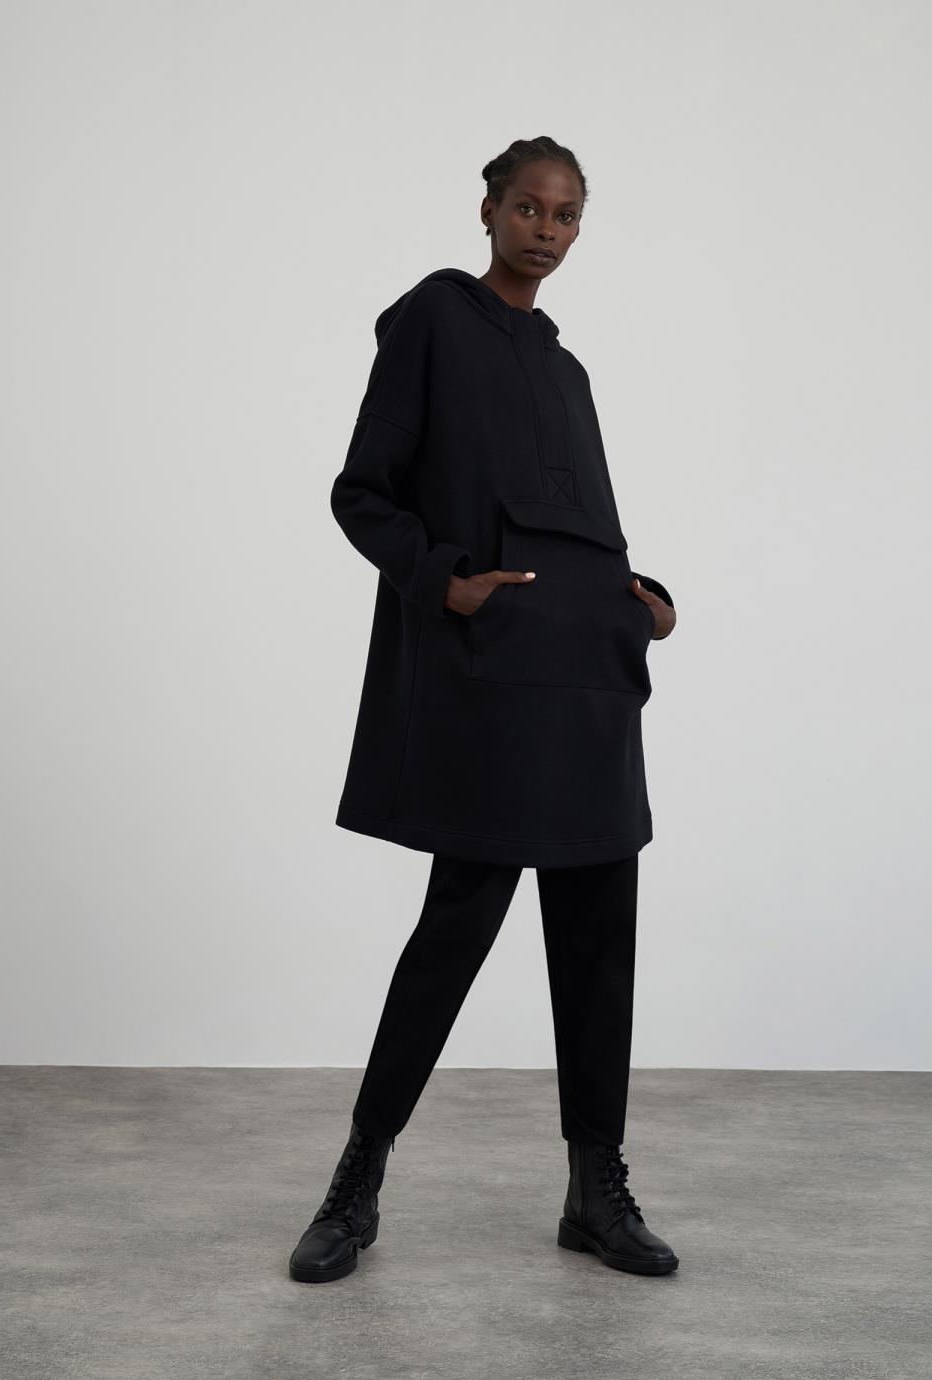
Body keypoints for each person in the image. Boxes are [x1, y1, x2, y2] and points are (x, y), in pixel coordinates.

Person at [289, 136, 679, 1284]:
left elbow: (585, 525)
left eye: (567, 215)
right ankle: (356, 1183)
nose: (547, 230)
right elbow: (361, 491)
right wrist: (443, 577)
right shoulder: (433, 320)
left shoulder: (569, 372)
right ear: (489, 210)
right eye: (529, 208)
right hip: (496, 682)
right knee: (456, 928)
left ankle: (595, 1193)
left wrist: (642, 599)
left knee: (600, 940)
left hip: (593, 680)